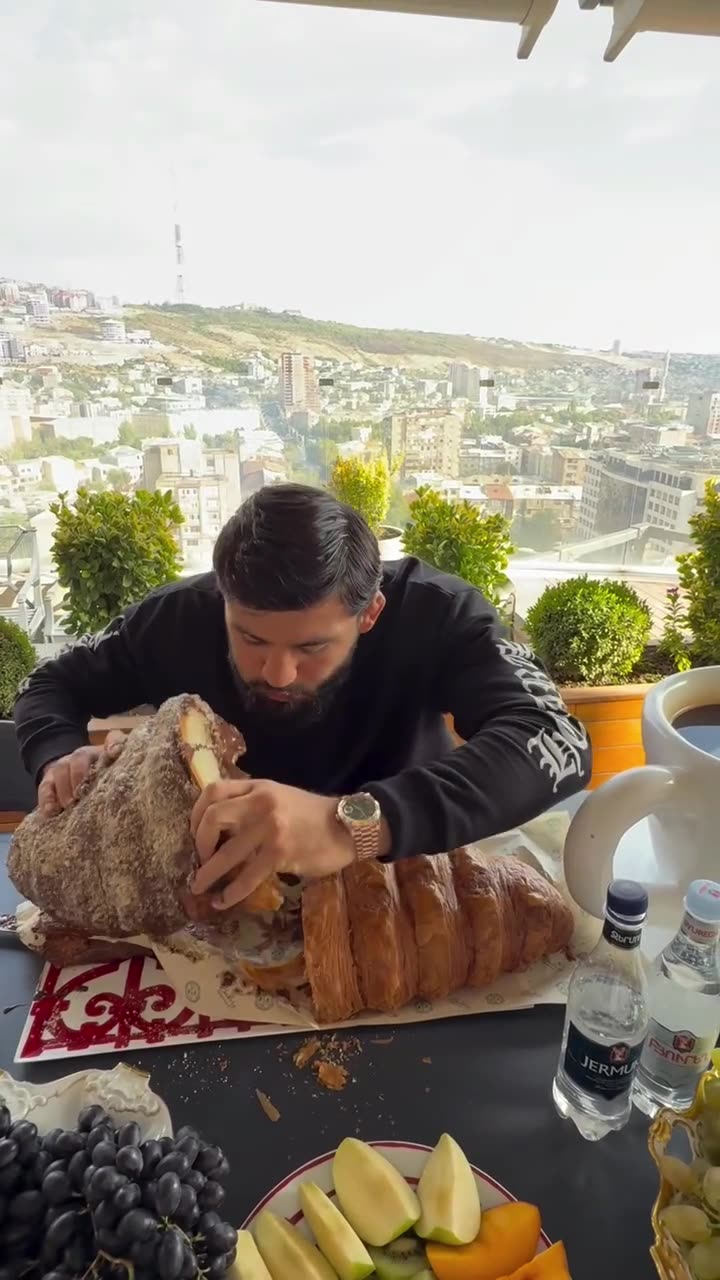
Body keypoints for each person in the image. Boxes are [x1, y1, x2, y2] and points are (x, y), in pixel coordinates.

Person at [14, 483, 591, 910]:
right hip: (214, 899)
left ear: (371, 613)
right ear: (224, 597)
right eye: (250, 637)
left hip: (410, 883)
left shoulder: (436, 613)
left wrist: (351, 823)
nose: (279, 672)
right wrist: (58, 754)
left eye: (312, 646)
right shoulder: (176, 617)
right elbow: (49, 684)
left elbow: (554, 738)